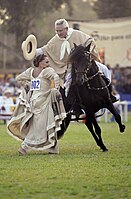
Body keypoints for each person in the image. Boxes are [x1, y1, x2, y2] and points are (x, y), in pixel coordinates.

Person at [36, 19, 116, 103]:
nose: (59, 33)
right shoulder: (55, 39)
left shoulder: (77, 34)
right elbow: (46, 49)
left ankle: (110, 94)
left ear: (66, 28)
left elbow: (90, 40)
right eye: (57, 31)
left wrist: (88, 51)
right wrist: (33, 51)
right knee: (67, 84)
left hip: (84, 63)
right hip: (70, 67)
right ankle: (71, 104)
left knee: (104, 69)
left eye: (60, 30)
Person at [7, 54, 66, 155]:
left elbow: (18, 78)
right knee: (41, 126)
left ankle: (53, 148)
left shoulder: (30, 71)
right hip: (43, 101)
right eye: (46, 62)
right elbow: (56, 77)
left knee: (46, 123)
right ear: (40, 63)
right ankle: (24, 147)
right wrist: (56, 89)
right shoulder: (47, 71)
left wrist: (26, 84)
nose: (48, 64)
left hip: (34, 102)